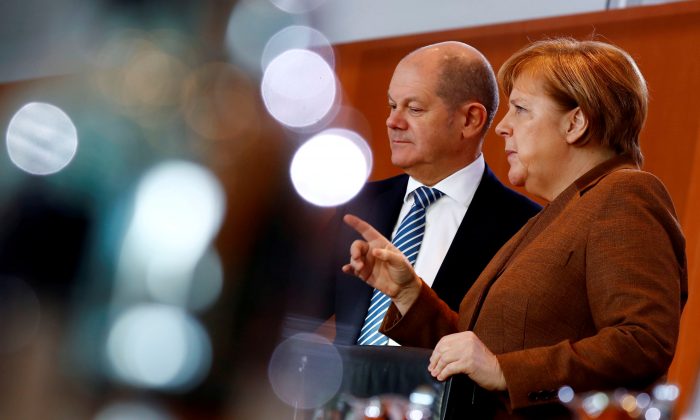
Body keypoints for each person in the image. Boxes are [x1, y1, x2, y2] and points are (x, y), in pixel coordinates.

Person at [342, 38, 688, 418]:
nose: (502, 127)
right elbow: (475, 356)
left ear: (575, 123)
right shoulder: (552, 216)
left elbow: (642, 343)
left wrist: (506, 371)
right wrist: (410, 296)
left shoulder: (626, 194)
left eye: (521, 109)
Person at [289, 41, 540, 345]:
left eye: (414, 108)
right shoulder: (358, 205)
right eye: (392, 105)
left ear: (470, 120)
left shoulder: (526, 229)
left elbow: (500, 356)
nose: (392, 122)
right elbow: (294, 313)